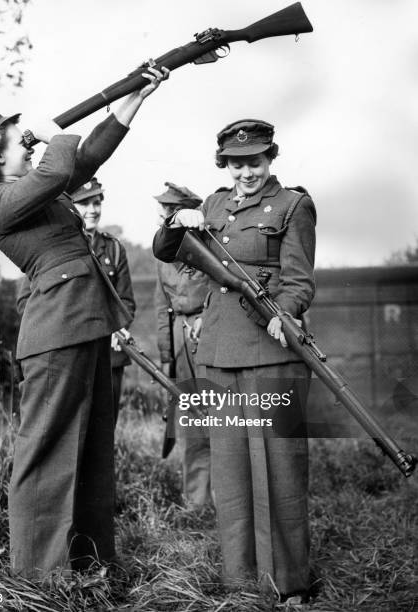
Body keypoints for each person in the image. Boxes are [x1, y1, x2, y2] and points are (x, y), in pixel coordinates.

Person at [0, 66, 168, 578]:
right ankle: (38, 577)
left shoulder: (39, 190)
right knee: (47, 453)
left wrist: (134, 97)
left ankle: (89, 565)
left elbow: (87, 155)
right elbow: (57, 167)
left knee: (93, 451)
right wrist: (56, 133)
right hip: (55, 332)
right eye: (18, 141)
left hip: (86, 323)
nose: (27, 146)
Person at [152, 120, 316, 606]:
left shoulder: (293, 206)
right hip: (220, 352)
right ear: (225, 164)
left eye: (255, 162)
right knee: (230, 468)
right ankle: (240, 580)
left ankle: (289, 584)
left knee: (281, 468)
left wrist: (283, 313)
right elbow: (167, 250)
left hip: (271, 351)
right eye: (237, 163)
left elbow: (300, 279)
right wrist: (175, 223)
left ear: (271, 159)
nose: (246, 171)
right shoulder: (213, 205)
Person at [154, 182, 212, 508]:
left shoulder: (207, 244)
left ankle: (228, 498)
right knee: (192, 422)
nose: (164, 215)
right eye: (162, 209)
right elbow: (162, 307)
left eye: (171, 210)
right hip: (180, 340)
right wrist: (166, 357)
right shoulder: (162, 252)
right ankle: (197, 502)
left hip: (209, 333)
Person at [72, 177, 136, 425]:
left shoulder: (114, 248)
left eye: (96, 202)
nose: (92, 210)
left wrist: (118, 327)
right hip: (75, 351)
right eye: (84, 203)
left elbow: (126, 301)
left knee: (106, 425)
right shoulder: (59, 246)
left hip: (109, 352)